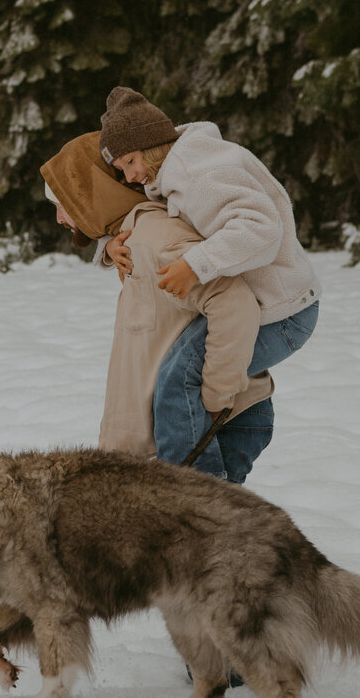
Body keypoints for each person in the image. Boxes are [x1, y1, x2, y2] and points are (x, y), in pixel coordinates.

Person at [96, 86, 320, 478]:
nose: (131, 176)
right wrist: (107, 245)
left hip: (283, 312)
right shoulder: (179, 167)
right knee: (198, 379)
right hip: (264, 306)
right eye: (122, 170)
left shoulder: (198, 172)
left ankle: (193, 503)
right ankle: (223, 493)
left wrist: (194, 264)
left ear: (149, 144)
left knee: (178, 381)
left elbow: (260, 227)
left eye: (130, 162)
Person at [40, 133, 274, 476]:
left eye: (60, 204)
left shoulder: (153, 238)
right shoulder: (135, 237)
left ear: (86, 196)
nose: (59, 219)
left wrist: (213, 402)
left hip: (212, 419)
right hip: (199, 420)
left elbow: (233, 302)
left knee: (200, 525)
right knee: (206, 527)